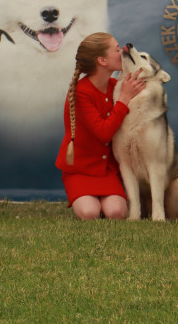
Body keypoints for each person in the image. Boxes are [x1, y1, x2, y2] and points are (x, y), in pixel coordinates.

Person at [55, 32, 145, 220]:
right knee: (89, 213)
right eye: (117, 49)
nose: (122, 53)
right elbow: (103, 133)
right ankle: (85, 197)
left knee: (116, 212)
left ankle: (108, 199)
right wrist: (125, 99)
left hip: (107, 169)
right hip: (79, 169)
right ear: (102, 61)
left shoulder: (116, 86)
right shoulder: (81, 92)